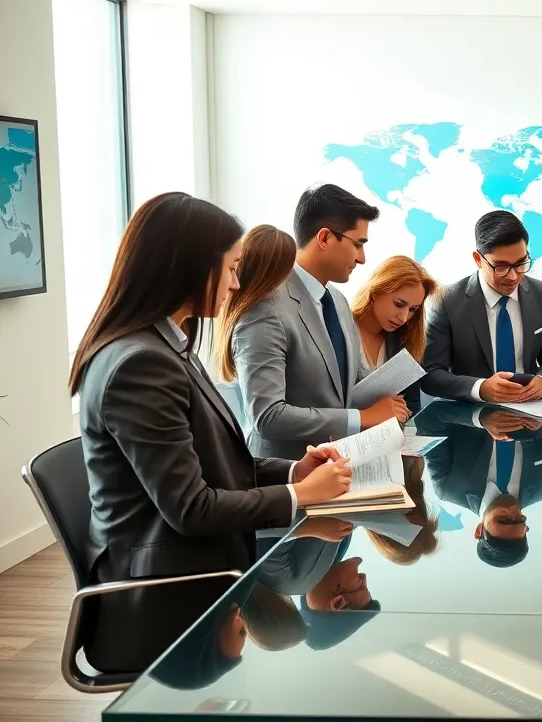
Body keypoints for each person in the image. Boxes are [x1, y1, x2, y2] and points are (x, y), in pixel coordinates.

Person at [70, 192, 352, 673]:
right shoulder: (140, 363)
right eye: (232, 268)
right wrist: (300, 497)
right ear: (189, 268)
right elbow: (191, 509)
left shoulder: (166, 345)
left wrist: (293, 471)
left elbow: (214, 461)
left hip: (200, 565)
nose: (237, 283)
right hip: (169, 598)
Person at [233, 184, 406, 461]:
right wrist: (363, 417)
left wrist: (386, 402)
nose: (362, 259)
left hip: (339, 467)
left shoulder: (338, 300)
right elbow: (267, 416)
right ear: (324, 238)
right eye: (358, 244)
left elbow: (348, 388)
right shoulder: (266, 307)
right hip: (286, 474)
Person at [422, 210, 542, 402]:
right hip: (471, 413)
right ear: (478, 259)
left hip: (531, 409)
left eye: (521, 263)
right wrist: (480, 389)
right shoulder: (446, 301)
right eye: (501, 267)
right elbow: (430, 373)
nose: (513, 276)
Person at [417, 401, 542, 568]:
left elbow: (428, 420)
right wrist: (541, 425)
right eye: (520, 519)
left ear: (479, 530)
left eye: (503, 519)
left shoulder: (449, 487)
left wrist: (479, 418)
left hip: (471, 388)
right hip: (531, 393)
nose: (512, 510)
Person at [351, 256, 438, 416]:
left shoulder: (404, 340)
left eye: (412, 309)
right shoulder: (339, 329)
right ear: (375, 291)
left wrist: (400, 416)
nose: (403, 318)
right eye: (399, 304)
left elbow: (412, 406)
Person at [214, 224, 296, 386]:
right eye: (289, 269)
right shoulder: (259, 322)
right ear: (273, 274)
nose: (292, 276)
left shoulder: (248, 314)